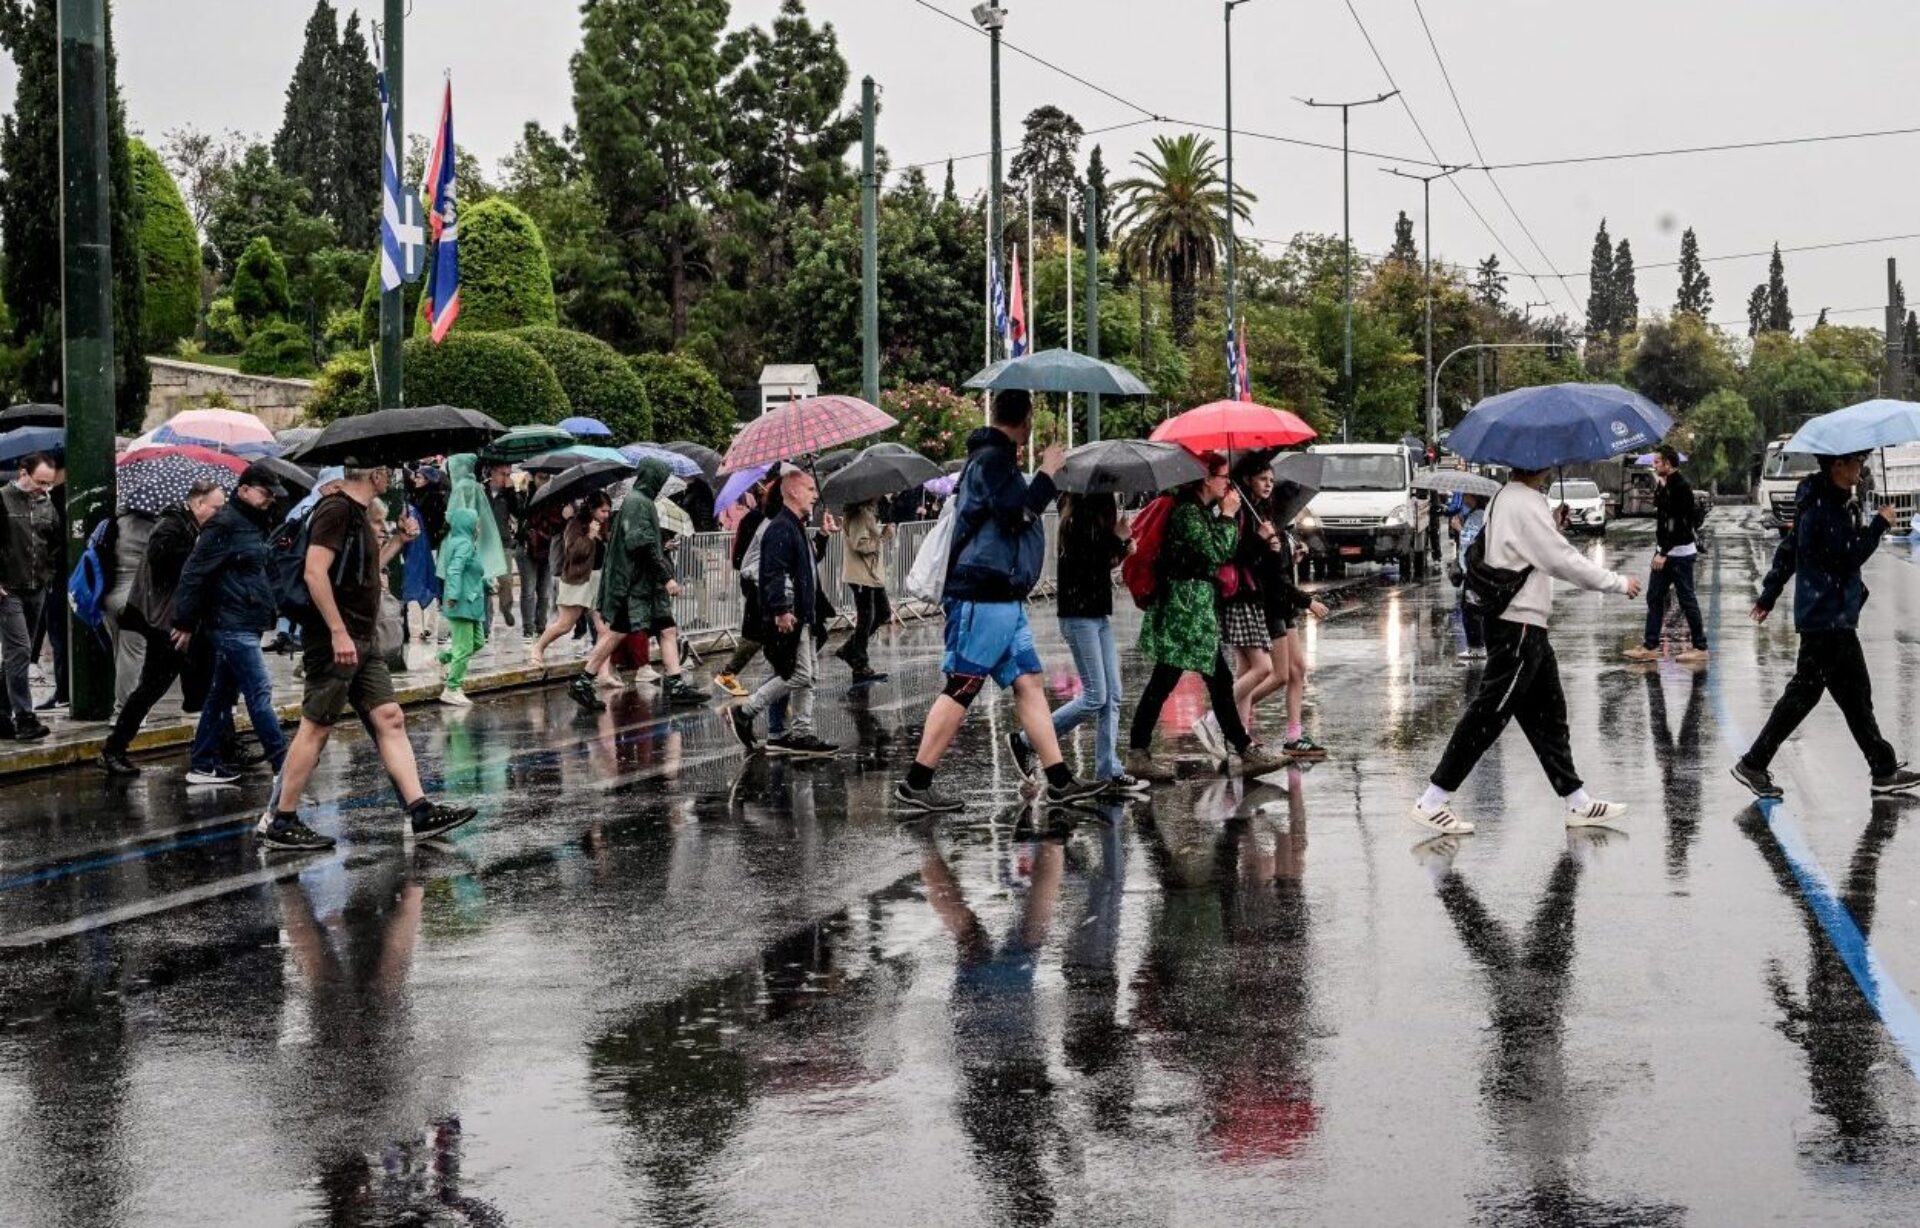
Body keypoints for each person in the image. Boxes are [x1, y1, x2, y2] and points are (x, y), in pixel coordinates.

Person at [894, 390, 1106, 813]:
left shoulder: (994, 459)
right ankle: (915, 783)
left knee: (1028, 682)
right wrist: (1046, 474)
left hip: (1002, 595)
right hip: (983, 593)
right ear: (1026, 420)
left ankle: (1059, 780)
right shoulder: (992, 460)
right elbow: (1017, 514)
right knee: (964, 684)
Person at [1410, 466, 1643, 835]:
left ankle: (1577, 800)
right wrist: (1616, 582)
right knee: (1490, 712)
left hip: (1525, 624)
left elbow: (1527, 551)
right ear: (1539, 464)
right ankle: (1433, 798)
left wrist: (1552, 525)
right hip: (1517, 623)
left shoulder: (1506, 498)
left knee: (1549, 716)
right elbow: (1561, 560)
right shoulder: (1525, 502)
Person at [258, 464, 477, 851]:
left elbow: (364, 571)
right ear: (374, 474)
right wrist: (337, 631)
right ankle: (282, 820)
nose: (391, 478)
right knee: (316, 727)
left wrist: (399, 542)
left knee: (389, 716)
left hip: (363, 637)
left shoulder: (357, 512)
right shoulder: (336, 510)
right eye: (387, 471)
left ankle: (420, 810)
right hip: (336, 639)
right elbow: (314, 573)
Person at [1731, 451, 1920, 799]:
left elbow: (1788, 550)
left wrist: (1768, 595)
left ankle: (1882, 768)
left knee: (1849, 696)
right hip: (1827, 619)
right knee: (1817, 696)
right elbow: (1849, 557)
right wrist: (1880, 525)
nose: (1860, 469)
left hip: (1828, 617)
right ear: (1838, 466)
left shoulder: (1824, 502)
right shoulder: (1824, 509)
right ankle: (1754, 763)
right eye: (1856, 463)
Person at [1124, 455, 1284, 783]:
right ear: (1207, 479)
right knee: (1174, 681)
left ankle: (1241, 748)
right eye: (1224, 477)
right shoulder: (1187, 513)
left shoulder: (1200, 511)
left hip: (1196, 610)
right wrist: (1228, 515)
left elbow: (1226, 550)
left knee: (1205, 681)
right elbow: (1216, 553)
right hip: (1185, 610)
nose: (1228, 484)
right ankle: (1140, 752)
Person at [1007, 491, 1141, 795]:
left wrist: (1123, 550)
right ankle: (1027, 741)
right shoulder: (1076, 521)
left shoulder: (1092, 524)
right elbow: (1088, 561)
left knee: (1113, 695)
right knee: (1096, 696)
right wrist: (1118, 540)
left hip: (1097, 615)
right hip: (1079, 617)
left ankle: (1108, 770)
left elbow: (1100, 565)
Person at [170, 463, 295, 786]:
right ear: (244, 490)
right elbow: (194, 572)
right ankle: (284, 766)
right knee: (259, 692)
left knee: (222, 695)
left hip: (244, 619)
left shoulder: (253, 523)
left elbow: (259, 572)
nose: (271, 500)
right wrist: (184, 621)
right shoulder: (224, 524)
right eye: (266, 493)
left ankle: (203, 764)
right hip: (230, 622)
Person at [97, 481, 226, 776]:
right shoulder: (170, 528)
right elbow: (167, 567)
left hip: (182, 621)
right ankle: (114, 748)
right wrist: (199, 553)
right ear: (197, 503)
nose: (220, 513)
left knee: (210, 686)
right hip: (167, 624)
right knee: (152, 687)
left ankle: (219, 748)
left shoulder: (191, 527)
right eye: (216, 508)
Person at [577, 459, 707, 711]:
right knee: (617, 632)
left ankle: (676, 683)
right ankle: (584, 680)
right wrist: (666, 577)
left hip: (646, 587)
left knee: (667, 629)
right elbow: (641, 544)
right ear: (653, 477)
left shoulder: (641, 501)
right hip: (634, 586)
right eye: (661, 478)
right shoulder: (638, 503)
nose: (662, 484)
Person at [728, 465, 838, 758]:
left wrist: (823, 535)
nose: (815, 495)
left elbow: (807, 563)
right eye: (810, 489)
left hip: (806, 614)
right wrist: (781, 610)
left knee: (807, 676)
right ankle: (746, 711)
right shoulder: (780, 527)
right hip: (791, 615)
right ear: (792, 491)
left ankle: (801, 732)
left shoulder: (795, 525)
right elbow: (773, 573)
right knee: (799, 674)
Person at [1243, 469, 1330, 757]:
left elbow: (1278, 567)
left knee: (1297, 669)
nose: (1268, 485)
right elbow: (1272, 577)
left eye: (1271, 480)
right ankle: (1229, 714)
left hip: (1284, 605)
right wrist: (1308, 601)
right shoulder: (1263, 522)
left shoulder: (1281, 527)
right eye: (1263, 480)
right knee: (1278, 674)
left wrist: (1292, 555)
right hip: (1272, 605)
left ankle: (1294, 735)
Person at [1624, 445, 1708, 664]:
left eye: (1657, 462)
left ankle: (1700, 647)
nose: (1653, 466)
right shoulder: (1667, 484)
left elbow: (1677, 525)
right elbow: (1661, 512)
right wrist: (1660, 486)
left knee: (1687, 599)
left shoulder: (1681, 487)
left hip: (1679, 554)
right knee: (1654, 596)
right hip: (1665, 552)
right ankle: (1650, 646)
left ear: (1668, 464)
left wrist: (1663, 553)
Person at [0, 453, 63, 741]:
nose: (44, 488)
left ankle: (2, 715)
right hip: (8, 589)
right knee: (21, 651)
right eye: (40, 482)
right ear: (23, 473)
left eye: (49, 483)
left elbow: (54, 542)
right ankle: (25, 718)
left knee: (16, 655)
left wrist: (48, 575)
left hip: (36, 587)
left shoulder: (46, 504)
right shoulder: (3, 499)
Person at [531, 492, 618, 670]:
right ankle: (538, 648)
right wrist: (590, 536)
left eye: (608, 511)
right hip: (577, 580)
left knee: (604, 630)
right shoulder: (575, 524)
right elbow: (573, 553)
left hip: (596, 580)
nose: (606, 515)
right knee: (565, 625)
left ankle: (602, 672)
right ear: (592, 509)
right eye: (603, 511)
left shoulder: (602, 525)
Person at [713, 471, 780, 698]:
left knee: (766, 634)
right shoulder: (757, 520)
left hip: (766, 583)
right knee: (757, 634)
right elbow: (739, 558)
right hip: (757, 583)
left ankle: (777, 683)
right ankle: (729, 674)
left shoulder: (780, 520)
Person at [101, 506, 156, 711]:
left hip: (111, 597)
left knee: (121, 655)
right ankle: (126, 709)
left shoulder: (115, 523)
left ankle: (123, 706)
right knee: (133, 657)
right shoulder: (156, 528)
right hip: (136, 600)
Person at [834, 496, 891, 687]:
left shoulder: (866, 513)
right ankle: (859, 664)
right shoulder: (858, 514)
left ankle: (850, 649)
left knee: (882, 613)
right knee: (866, 618)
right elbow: (860, 544)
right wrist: (882, 538)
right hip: (861, 575)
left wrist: (881, 535)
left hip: (871, 575)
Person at [435, 507, 487, 707]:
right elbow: (454, 569)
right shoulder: (464, 544)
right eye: (476, 524)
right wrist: (454, 595)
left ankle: (443, 658)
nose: (478, 528)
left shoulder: (458, 541)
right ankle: (452, 688)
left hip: (470, 602)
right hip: (463, 602)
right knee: (464, 647)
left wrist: (488, 583)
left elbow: (470, 570)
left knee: (478, 642)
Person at [482, 460, 518, 634]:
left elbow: (518, 512)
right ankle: (486, 619)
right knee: (486, 581)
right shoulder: (482, 491)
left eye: (509, 474)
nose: (506, 478)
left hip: (503, 541)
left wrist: (511, 492)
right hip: (485, 541)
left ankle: (506, 607)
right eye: (503, 474)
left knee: (506, 579)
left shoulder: (508, 493)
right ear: (493, 472)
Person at [1452, 491, 1488, 660]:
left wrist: (1459, 528)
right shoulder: (1478, 514)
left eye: (1466, 495)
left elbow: (1471, 539)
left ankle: (1477, 647)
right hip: (1473, 569)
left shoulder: (1478, 515)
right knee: (1471, 608)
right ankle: (1477, 645)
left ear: (1474, 497)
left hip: (1473, 570)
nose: (1464, 498)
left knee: (1470, 609)